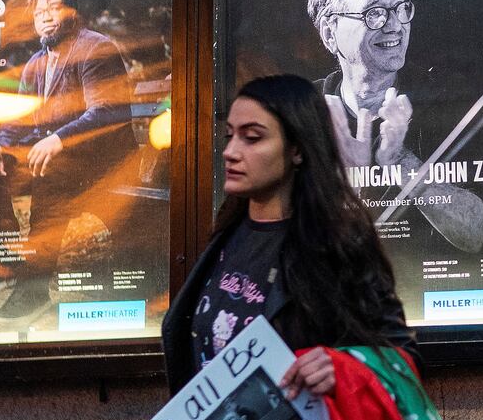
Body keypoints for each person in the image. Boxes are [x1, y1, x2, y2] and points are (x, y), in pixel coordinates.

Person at [159, 74, 416, 397]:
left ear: (297, 149)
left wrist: (342, 368)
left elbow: (400, 359)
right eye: (229, 136)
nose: (231, 151)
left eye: (252, 138)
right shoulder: (227, 230)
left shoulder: (335, 243)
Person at [0, 0, 132, 324]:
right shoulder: (35, 64)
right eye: (39, 12)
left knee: (51, 171)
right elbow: (22, 120)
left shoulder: (94, 48)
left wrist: (58, 139)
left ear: (72, 12)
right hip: (57, 159)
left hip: (103, 162)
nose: (44, 17)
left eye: (53, 9)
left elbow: (106, 112)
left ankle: (34, 288)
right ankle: (11, 260)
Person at [306, 0, 483, 253]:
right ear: (329, 33)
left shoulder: (445, 100)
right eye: (373, 13)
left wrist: (400, 162)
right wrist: (348, 179)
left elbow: (476, 233)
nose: (394, 25)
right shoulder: (300, 112)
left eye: (401, 8)